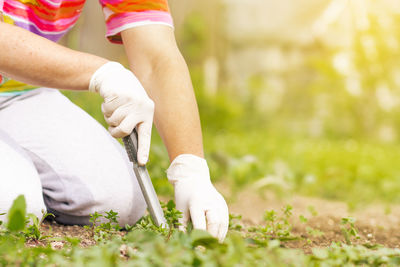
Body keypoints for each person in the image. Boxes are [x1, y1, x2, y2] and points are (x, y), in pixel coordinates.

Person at [0, 0, 228, 241]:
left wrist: (190, 168)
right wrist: (99, 72)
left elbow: (154, 57)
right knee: (13, 203)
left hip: (20, 94)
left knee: (120, 199)